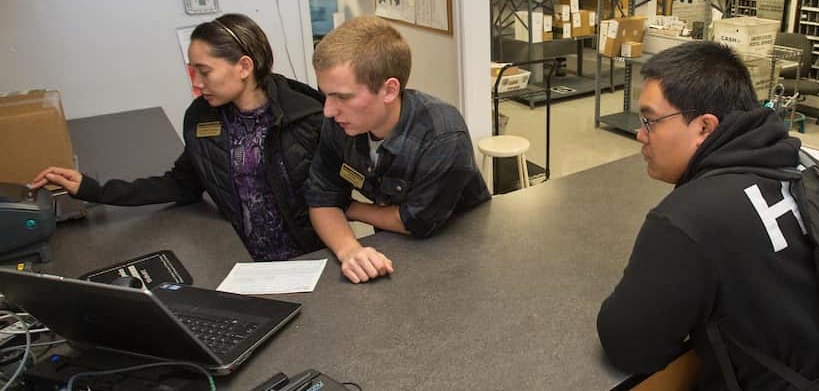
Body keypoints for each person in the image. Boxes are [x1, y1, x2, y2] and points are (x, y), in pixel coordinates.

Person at [596, 42, 819, 389]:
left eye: (650, 120)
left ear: (705, 126)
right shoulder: (802, 167)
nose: (640, 134)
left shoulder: (690, 218)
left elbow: (629, 345)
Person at [30, 14, 327, 261]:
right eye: (192, 71)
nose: (197, 83)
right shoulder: (203, 118)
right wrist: (92, 189)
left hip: (309, 259)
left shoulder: (307, 116)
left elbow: (339, 192)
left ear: (244, 67)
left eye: (204, 71)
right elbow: (182, 184)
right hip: (244, 261)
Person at [305, 16, 490, 284]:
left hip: (462, 252)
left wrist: (348, 207)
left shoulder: (443, 134)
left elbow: (416, 222)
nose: (328, 110)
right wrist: (350, 250)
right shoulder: (340, 123)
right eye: (326, 94)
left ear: (389, 90)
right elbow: (320, 198)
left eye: (342, 96)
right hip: (396, 249)